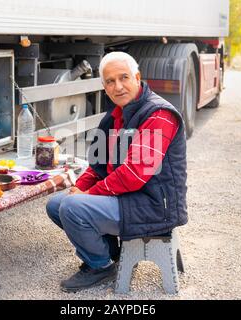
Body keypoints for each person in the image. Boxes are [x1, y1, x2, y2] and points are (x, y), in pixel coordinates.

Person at [46, 51, 188, 292]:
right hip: (128, 199)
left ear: (137, 77)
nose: (118, 86)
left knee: (73, 207)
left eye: (124, 77)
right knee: (57, 204)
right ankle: (111, 254)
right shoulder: (114, 118)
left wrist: (87, 196)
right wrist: (80, 187)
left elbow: (134, 175)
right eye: (110, 81)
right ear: (104, 86)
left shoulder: (159, 115)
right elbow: (98, 167)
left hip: (154, 206)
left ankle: (100, 267)